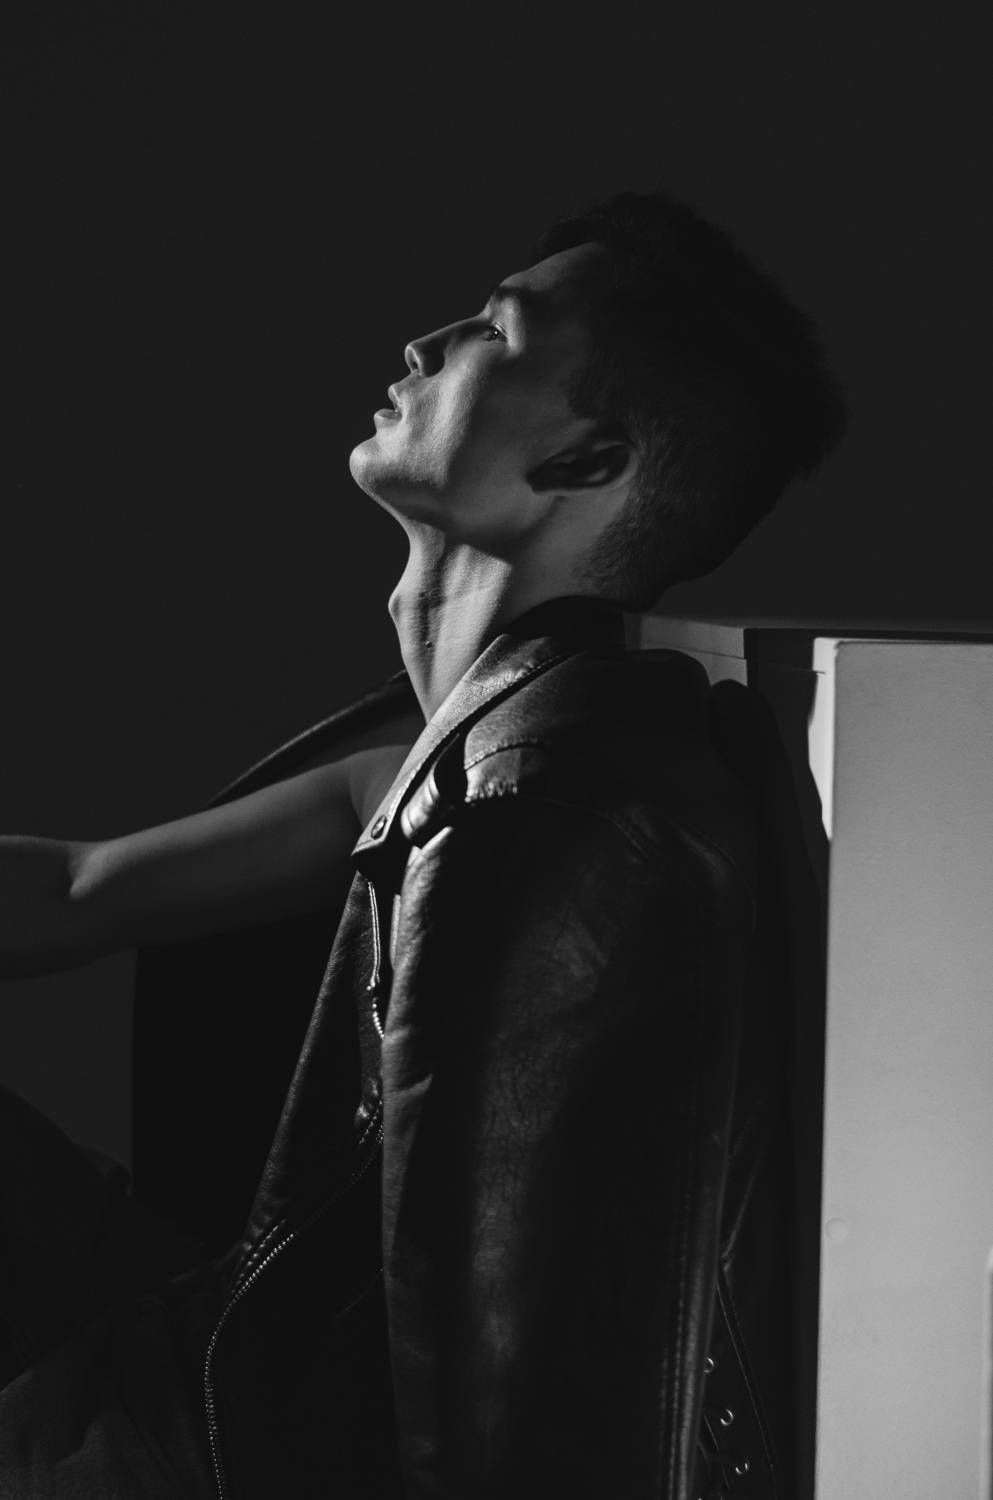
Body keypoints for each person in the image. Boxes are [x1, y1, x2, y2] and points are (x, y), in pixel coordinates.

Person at [0, 190, 845, 1498]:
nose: (423, 344)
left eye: (494, 331)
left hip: (224, 1428)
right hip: (217, 1329)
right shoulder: (454, 758)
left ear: (583, 462)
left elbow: (513, 1385)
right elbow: (73, 890)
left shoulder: (544, 812)